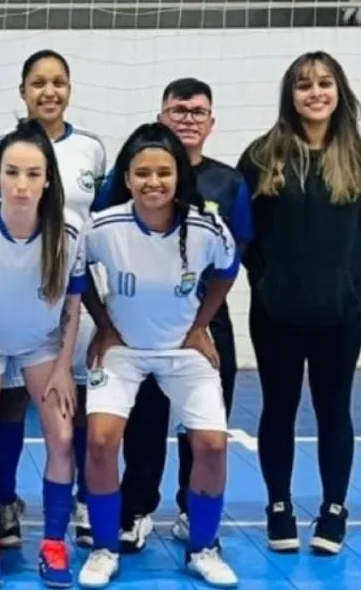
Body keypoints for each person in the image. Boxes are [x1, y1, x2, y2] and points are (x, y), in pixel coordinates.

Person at [93, 78, 253, 552]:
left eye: (197, 111)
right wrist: (106, 325)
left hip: (201, 320)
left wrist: (201, 322)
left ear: (211, 121)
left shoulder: (227, 184)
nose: (188, 118)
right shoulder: (124, 184)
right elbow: (93, 249)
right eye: (178, 110)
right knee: (142, 422)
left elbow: (236, 253)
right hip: (137, 322)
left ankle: (192, 515)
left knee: (202, 429)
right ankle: (137, 509)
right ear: (162, 117)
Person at [237, 50, 361, 556]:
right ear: (290, 95)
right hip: (277, 314)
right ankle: (279, 505)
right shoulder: (262, 156)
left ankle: (334, 507)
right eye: (304, 85)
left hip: (342, 314)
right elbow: (242, 234)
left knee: (335, 410)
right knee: (279, 409)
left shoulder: (357, 155)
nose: (315, 93)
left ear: (339, 91)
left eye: (324, 83)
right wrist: (265, 281)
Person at [0, 118, 86, 588]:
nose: (22, 185)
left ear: (48, 178)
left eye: (33, 174)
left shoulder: (69, 230)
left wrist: (66, 369)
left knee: (64, 435)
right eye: (12, 173)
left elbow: (72, 303)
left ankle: (53, 544)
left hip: (42, 345)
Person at [0, 49, 106, 549]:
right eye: (38, 82)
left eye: (58, 82)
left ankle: (79, 497)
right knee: (9, 404)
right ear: (22, 91)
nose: (48, 91)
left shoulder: (92, 151)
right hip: (11, 303)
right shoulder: (0, 147)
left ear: (70, 89)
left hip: (69, 303)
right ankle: (5, 500)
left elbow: (101, 227)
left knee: (70, 402)